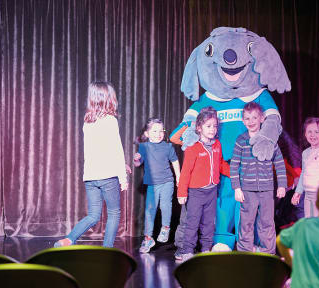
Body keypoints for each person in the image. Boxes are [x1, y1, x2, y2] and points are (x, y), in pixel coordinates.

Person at [54, 81, 128, 248]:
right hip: (108, 176)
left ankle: (68, 239)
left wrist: (122, 166)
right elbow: (116, 150)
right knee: (114, 213)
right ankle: (107, 250)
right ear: (108, 99)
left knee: (93, 215)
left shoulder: (88, 122)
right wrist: (122, 178)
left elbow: (98, 151)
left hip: (91, 176)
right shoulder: (110, 120)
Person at [230, 102, 287, 254]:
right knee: (246, 223)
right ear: (243, 121)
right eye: (247, 118)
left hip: (267, 190)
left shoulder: (269, 141)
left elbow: (280, 163)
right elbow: (234, 166)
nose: (251, 121)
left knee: (267, 222)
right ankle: (245, 252)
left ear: (262, 119)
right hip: (247, 191)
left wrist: (282, 185)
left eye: (254, 117)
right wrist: (237, 188)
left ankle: (268, 252)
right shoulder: (241, 140)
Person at [177, 107, 230, 262]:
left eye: (214, 126)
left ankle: (206, 248)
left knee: (208, 222)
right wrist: (182, 193)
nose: (212, 129)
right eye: (208, 126)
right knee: (192, 222)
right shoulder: (193, 148)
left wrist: (234, 173)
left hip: (212, 191)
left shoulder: (217, 145)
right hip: (195, 193)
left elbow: (220, 165)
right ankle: (187, 250)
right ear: (199, 128)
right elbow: (185, 171)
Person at [133, 118, 181, 253]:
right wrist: (136, 159)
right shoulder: (144, 147)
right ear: (147, 134)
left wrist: (179, 176)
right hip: (152, 185)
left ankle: (165, 228)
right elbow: (138, 163)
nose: (158, 134)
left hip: (167, 182)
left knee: (165, 205)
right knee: (150, 211)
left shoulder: (168, 146)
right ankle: (148, 239)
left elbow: (175, 161)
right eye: (154, 131)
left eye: (161, 131)